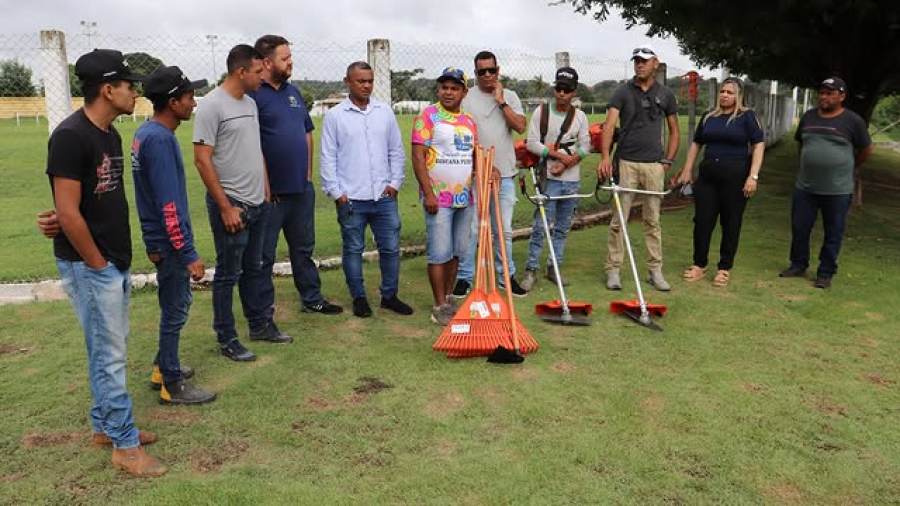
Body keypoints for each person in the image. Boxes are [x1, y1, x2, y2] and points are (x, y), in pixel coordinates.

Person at [45, 49, 165, 477]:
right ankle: (125, 447)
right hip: (91, 266)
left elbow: (91, 202)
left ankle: (105, 428)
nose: (136, 92)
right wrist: (97, 264)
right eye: (129, 85)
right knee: (110, 356)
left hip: (112, 260)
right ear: (108, 89)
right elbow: (68, 211)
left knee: (107, 348)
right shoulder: (70, 136)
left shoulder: (110, 134)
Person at [194, 44, 288, 363]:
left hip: (257, 202)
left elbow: (255, 147)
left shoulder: (250, 103)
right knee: (227, 273)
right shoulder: (211, 106)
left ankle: (260, 325)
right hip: (232, 204)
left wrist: (264, 188)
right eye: (259, 72)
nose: (264, 77)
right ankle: (226, 336)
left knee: (255, 268)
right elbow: (202, 160)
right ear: (241, 71)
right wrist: (224, 207)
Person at [133, 66, 217, 405]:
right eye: (188, 97)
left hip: (159, 240)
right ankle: (171, 383)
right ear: (172, 102)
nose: (194, 103)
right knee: (176, 307)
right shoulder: (161, 140)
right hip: (168, 244)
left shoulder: (145, 133)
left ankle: (161, 367)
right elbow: (168, 206)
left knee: (172, 303)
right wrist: (187, 252)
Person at [251, 35, 343, 318]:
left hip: (300, 189)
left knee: (303, 248)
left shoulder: (293, 92)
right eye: (285, 58)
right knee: (264, 255)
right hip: (271, 194)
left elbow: (306, 132)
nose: (291, 62)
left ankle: (312, 297)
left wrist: (306, 175)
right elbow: (252, 144)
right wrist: (266, 185)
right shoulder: (253, 94)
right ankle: (261, 310)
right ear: (267, 62)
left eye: (290, 56)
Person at [320, 61, 413, 318]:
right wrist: (337, 193)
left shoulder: (384, 112)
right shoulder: (335, 116)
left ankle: (389, 296)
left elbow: (396, 150)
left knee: (391, 248)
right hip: (351, 198)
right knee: (353, 249)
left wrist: (395, 184)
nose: (366, 86)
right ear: (347, 81)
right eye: (361, 81)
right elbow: (328, 158)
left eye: (370, 81)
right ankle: (359, 297)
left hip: (383, 197)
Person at [597, 44, 680, 292]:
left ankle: (655, 271)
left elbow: (675, 130)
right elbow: (609, 126)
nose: (639, 64)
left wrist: (667, 161)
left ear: (655, 63)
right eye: (636, 60)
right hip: (626, 163)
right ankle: (613, 270)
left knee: (652, 221)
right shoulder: (621, 92)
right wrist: (604, 157)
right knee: (619, 219)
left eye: (644, 60)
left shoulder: (666, 94)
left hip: (654, 165)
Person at [779, 77, 872, 289]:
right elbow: (801, 144)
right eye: (822, 92)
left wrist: (847, 167)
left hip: (838, 190)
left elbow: (865, 151)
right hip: (806, 187)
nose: (824, 97)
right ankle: (798, 264)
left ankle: (825, 272)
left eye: (830, 93)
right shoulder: (809, 117)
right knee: (800, 227)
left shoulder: (853, 121)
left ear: (842, 96)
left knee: (833, 232)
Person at [674, 77, 765, 288]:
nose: (724, 95)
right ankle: (699, 264)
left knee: (731, 223)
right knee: (702, 221)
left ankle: (724, 268)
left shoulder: (747, 117)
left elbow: (758, 145)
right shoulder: (709, 117)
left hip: (736, 179)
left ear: (739, 96)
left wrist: (753, 176)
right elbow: (697, 143)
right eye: (722, 91)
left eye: (730, 92)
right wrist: (687, 170)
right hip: (707, 179)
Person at [453, 50, 527, 298]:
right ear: (475, 74)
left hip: (504, 175)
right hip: (474, 174)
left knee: (502, 230)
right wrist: (479, 164)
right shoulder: (466, 98)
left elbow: (519, 126)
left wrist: (501, 101)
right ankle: (465, 277)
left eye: (491, 70)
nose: (487, 75)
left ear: (498, 70)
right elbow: (459, 134)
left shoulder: (511, 96)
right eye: (481, 71)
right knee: (472, 229)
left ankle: (506, 275)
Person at [411, 68, 479, 326]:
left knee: (456, 252)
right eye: (444, 87)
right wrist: (428, 193)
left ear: (464, 92)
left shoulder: (469, 121)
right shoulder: (428, 116)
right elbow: (418, 156)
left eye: (454, 88)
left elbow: (473, 157)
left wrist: (488, 170)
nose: (448, 92)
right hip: (438, 199)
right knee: (439, 253)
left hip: (465, 198)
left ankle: (449, 299)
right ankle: (439, 305)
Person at [520, 67, 591, 292]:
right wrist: (557, 156)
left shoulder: (580, 117)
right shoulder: (541, 112)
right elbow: (531, 143)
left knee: (562, 227)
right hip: (547, 179)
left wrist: (568, 162)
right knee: (541, 226)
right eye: (558, 88)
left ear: (574, 92)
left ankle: (554, 267)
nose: (561, 93)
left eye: (567, 90)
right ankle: (531, 268)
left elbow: (586, 145)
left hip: (571, 180)